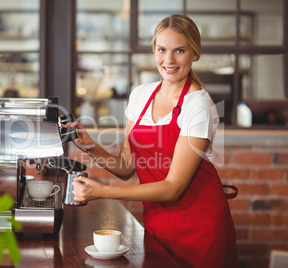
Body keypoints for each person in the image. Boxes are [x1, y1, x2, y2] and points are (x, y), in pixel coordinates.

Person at [65, 14, 239, 268]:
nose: (168, 60)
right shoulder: (140, 96)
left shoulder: (199, 105)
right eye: (162, 50)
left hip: (200, 226)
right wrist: (90, 145)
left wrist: (102, 192)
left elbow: (173, 187)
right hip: (157, 222)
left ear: (195, 53)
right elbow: (126, 167)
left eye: (179, 50)